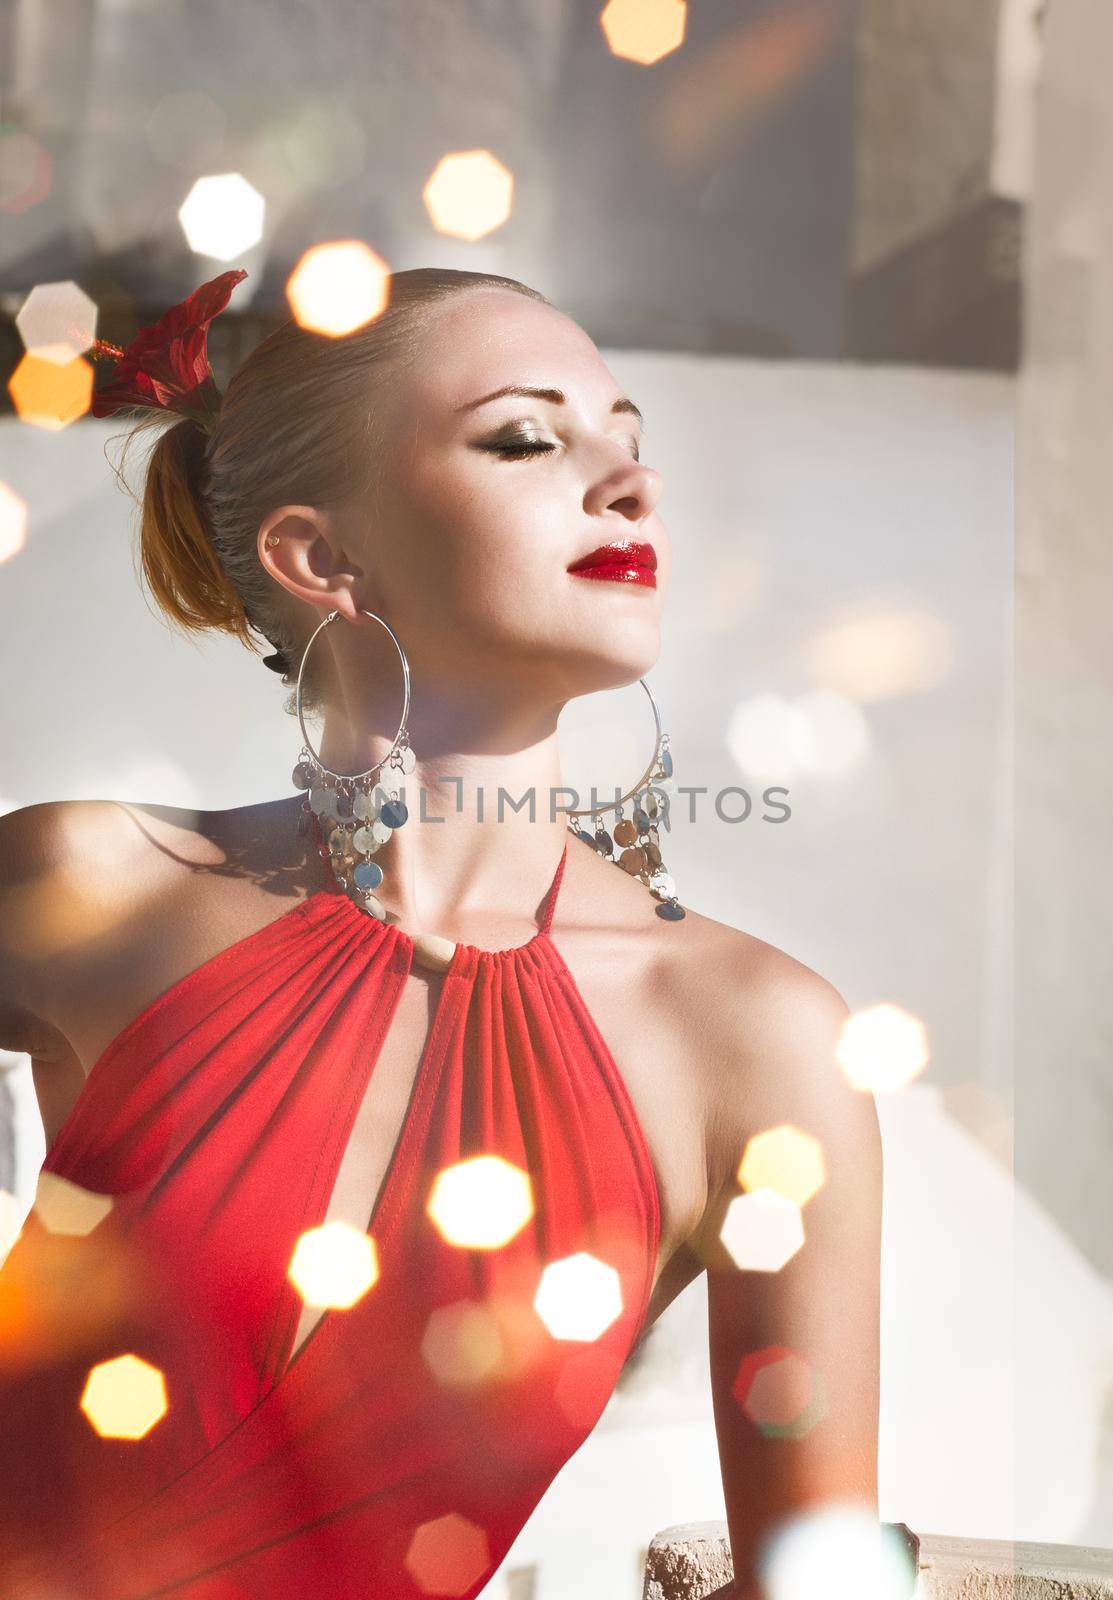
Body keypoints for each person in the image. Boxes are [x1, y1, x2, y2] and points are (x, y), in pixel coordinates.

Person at [0, 266, 883, 1599]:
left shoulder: (756, 1043)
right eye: (527, 439)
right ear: (320, 557)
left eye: (629, 442)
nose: (628, 484)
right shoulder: (97, 884)